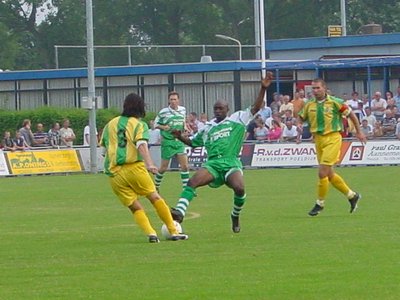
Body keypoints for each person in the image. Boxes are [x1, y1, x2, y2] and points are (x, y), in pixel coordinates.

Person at [170, 72, 274, 233]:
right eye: (215, 109)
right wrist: (180, 137)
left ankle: (235, 215)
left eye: (221, 108)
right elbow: (193, 143)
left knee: (239, 189)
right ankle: (179, 213)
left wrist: (262, 88)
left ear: (227, 109)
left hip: (231, 162)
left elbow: (256, 107)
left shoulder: (237, 119)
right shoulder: (207, 127)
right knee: (192, 182)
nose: (218, 111)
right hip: (213, 164)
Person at [100, 93, 188, 243]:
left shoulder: (110, 124)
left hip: (114, 173)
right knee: (154, 197)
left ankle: (151, 234)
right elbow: (141, 144)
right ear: (140, 107)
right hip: (134, 168)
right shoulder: (139, 124)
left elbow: (103, 151)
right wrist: (150, 163)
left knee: (134, 206)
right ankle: (173, 231)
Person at [297, 78, 367, 216]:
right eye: (313, 89)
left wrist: (359, 131)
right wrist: (299, 124)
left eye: (318, 88)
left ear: (324, 88)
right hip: (318, 140)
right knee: (329, 174)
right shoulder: (309, 104)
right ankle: (352, 196)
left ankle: (320, 203)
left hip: (333, 138)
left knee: (322, 172)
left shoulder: (335, 102)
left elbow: (351, 114)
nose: (315, 91)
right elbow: (300, 117)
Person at [154, 91, 189, 191]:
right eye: (171, 100)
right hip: (168, 142)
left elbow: (183, 120)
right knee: (163, 168)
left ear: (178, 100)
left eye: (175, 99)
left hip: (179, 141)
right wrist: (163, 126)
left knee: (185, 166)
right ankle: (155, 185)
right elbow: (155, 124)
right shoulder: (163, 112)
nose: (173, 101)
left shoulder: (183, 110)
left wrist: (185, 127)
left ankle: (186, 189)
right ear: (169, 101)